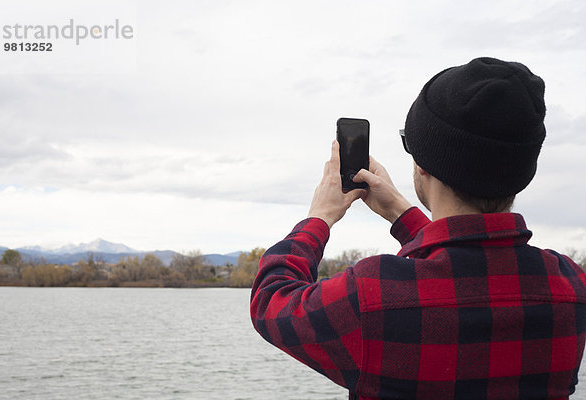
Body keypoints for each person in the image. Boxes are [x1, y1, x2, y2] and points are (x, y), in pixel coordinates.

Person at [249, 57, 586, 399]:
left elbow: (270, 301)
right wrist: (400, 212)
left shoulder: (370, 297)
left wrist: (319, 217)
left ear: (423, 164)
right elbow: (465, 272)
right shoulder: (571, 289)